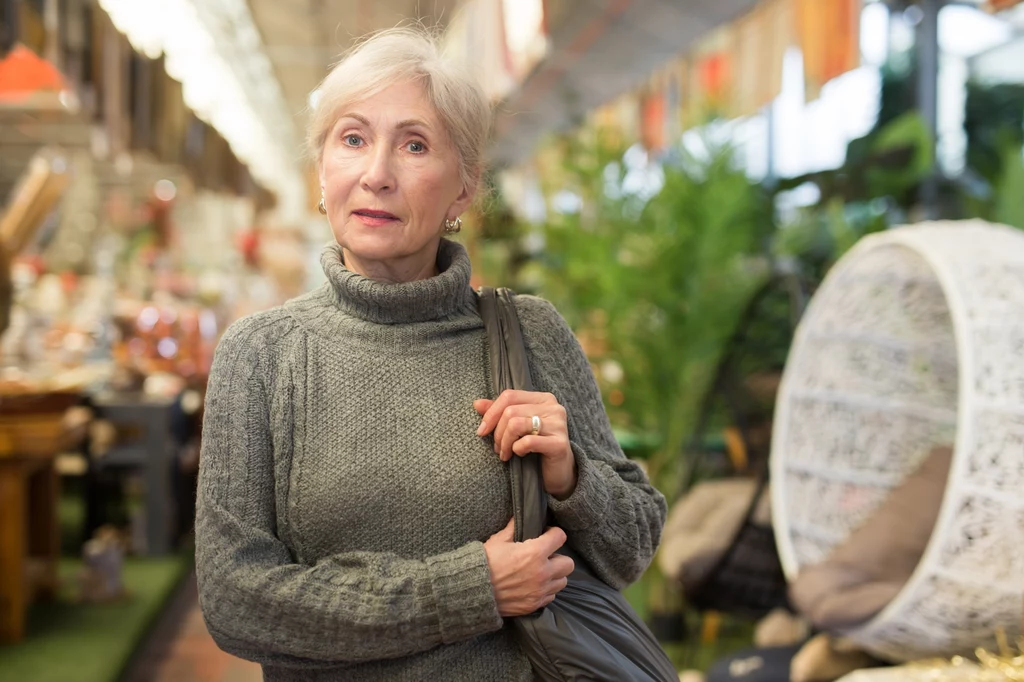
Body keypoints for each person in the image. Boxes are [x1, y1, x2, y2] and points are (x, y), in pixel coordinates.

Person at [195, 27, 667, 682]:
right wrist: (471, 590)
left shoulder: (528, 333)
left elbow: (634, 546)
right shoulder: (262, 355)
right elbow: (234, 600)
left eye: (414, 145)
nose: (377, 174)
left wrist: (570, 475)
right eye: (353, 139)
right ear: (323, 173)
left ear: (464, 190)